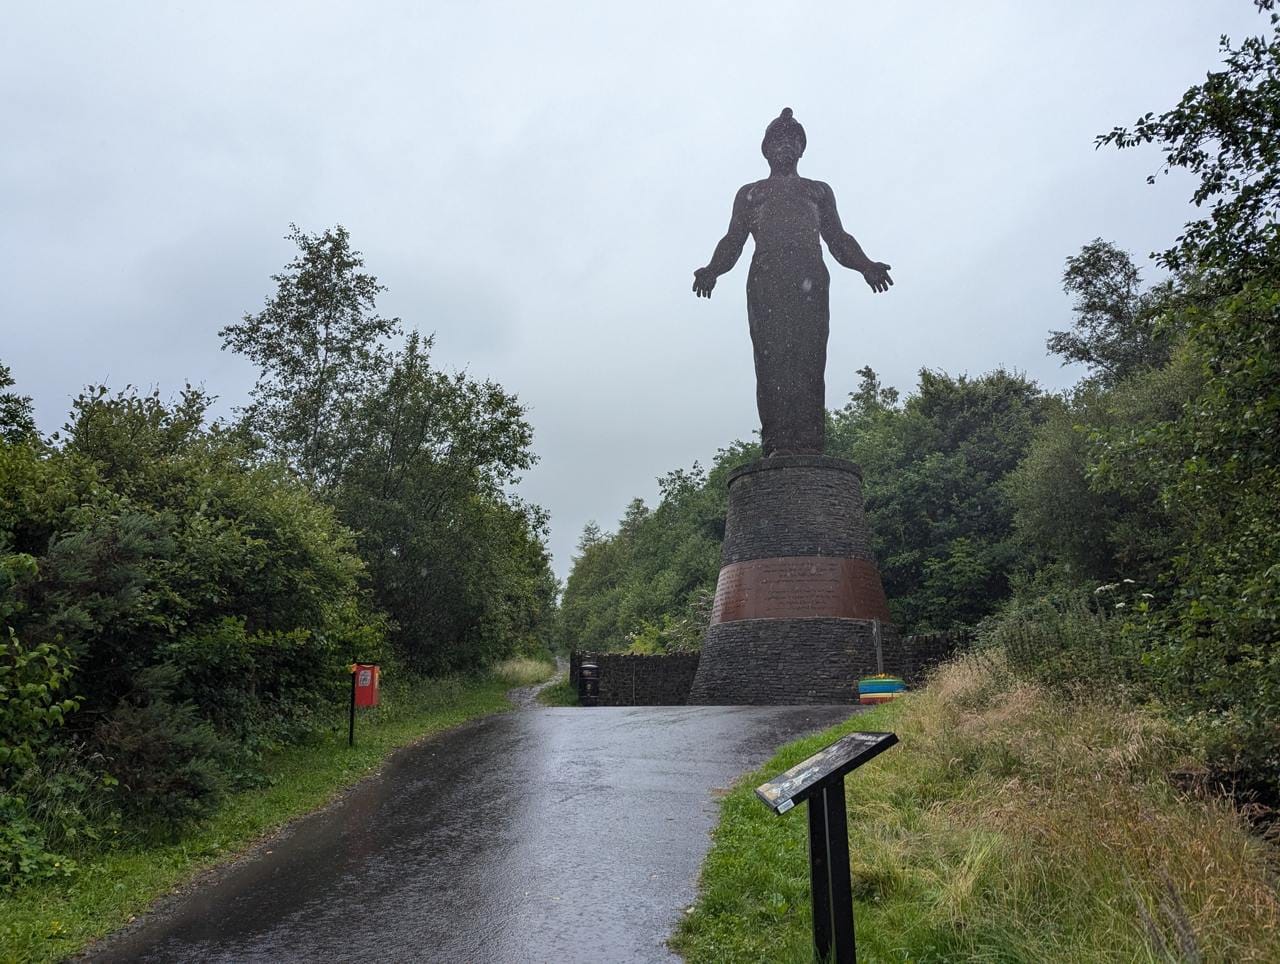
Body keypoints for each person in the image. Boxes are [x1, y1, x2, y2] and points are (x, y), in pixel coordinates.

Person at [693, 108, 892, 456]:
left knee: (809, 359)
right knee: (771, 362)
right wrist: (712, 269)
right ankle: (777, 442)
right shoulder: (752, 193)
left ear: (802, 149)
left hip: (809, 279)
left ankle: (810, 443)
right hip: (767, 281)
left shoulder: (817, 191)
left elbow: (837, 238)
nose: (785, 146)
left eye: (793, 141)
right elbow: (733, 240)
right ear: (766, 149)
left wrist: (866, 266)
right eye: (778, 140)